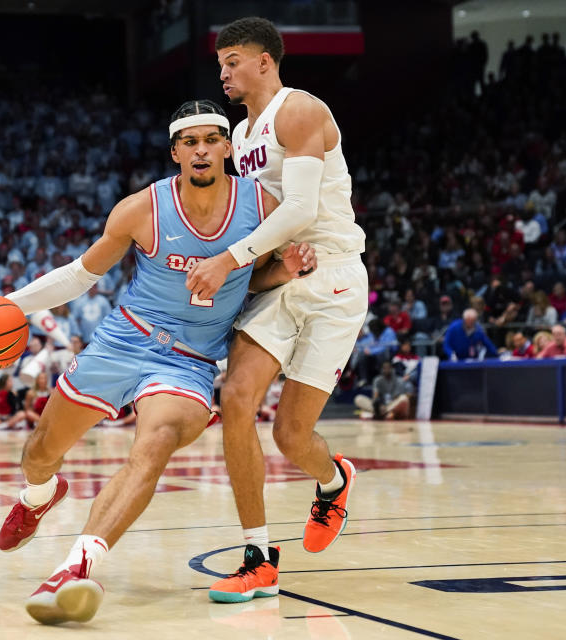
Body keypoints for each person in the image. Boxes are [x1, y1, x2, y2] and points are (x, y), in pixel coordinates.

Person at [0, 100, 316, 624]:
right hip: (123, 341)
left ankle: (76, 567)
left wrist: (282, 273)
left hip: (188, 361)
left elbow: (250, 281)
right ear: (175, 152)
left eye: (211, 140)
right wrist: (9, 305)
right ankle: (40, 494)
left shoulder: (262, 207)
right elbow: (81, 275)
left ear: (228, 148)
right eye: (189, 142)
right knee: (39, 453)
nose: (200, 150)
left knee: (154, 445)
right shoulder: (141, 208)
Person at [179, 20, 369, 603]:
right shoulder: (239, 134)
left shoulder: (300, 110)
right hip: (278, 276)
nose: (223, 72)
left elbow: (302, 208)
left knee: (291, 435)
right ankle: (258, 556)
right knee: (235, 398)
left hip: (333, 275)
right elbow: (258, 218)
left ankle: (334, 480)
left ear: (265, 61)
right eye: (220, 62)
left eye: (232, 60)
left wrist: (227, 260)